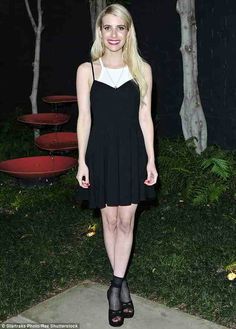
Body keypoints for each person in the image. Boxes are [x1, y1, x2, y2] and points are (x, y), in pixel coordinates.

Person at [76, 3, 158, 327]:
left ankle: (114, 288)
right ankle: (121, 285)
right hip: (101, 153)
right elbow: (84, 118)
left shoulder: (142, 70)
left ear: (128, 32)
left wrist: (151, 159)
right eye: (107, 27)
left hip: (132, 152)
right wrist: (81, 160)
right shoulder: (87, 70)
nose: (113, 34)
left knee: (127, 222)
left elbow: (145, 118)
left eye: (120, 28)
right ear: (100, 31)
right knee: (109, 222)